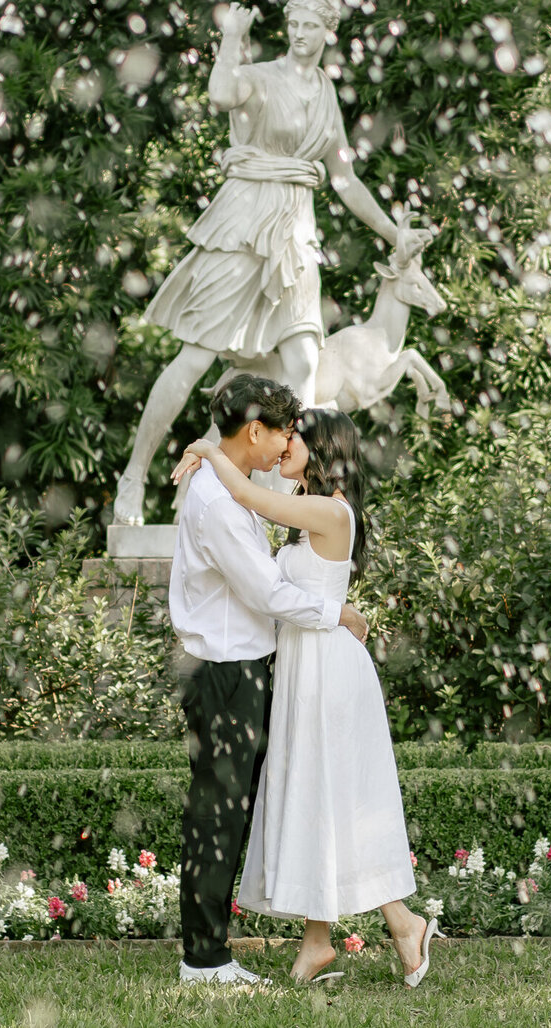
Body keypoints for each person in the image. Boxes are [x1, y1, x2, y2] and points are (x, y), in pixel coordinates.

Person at [113, 0, 432, 525]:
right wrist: (231, 39)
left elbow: (346, 179)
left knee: (304, 365)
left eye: (312, 25)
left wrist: (390, 233)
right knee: (194, 360)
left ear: (327, 32)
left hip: (295, 235)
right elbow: (220, 94)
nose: (302, 34)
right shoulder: (261, 76)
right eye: (296, 24)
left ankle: (268, 500)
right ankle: (134, 477)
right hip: (243, 224)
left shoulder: (326, 94)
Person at [172, 409, 443, 988]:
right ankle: (323, 941)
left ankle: (400, 925)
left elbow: (250, 494)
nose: (285, 443)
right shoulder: (310, 509)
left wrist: (209, 450)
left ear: (323, 448)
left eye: (295, 435)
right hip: (302, 664)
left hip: (326, 669)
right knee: (317, 794)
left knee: (331, 794)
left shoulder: (329, 508)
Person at [170, 373, 370, 987]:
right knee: (218, 813)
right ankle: (204, 960)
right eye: (283, 431)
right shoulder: (216, 501)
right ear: (255, 429)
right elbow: (267, 590)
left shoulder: (235, 488)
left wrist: (206, 447)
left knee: (230, 809)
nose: (286, 444)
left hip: (243, 669)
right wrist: (337, 612)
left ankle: (212, 951)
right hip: (227, 673)